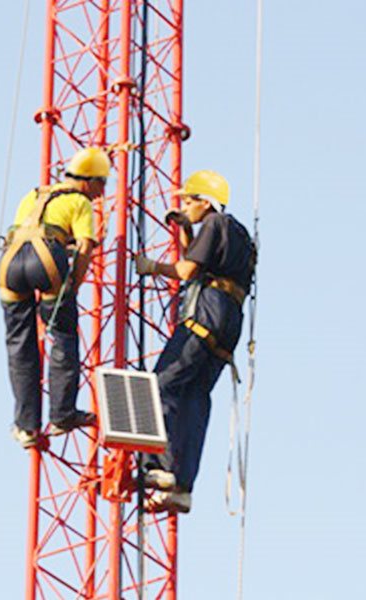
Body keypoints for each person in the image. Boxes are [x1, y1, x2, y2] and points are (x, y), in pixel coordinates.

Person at [135, 170, 256, 513]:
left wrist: (151, 267)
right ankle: (183, 484)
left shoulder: (215, 224)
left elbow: (189, 271)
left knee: (161, 384)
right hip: (227, 324)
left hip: (205, 317)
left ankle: (158, 469)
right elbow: (207, 265)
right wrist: (186, 232)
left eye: (188, 201)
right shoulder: (239, 234)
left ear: (205, 201)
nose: (185, 206)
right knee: (193, 397)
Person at [0, 147, 111, 448]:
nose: (102, 193)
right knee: (62, 334)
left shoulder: (34, 195)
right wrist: (72, 286)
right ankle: (62, 414)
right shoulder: (80, 201)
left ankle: (26, 427)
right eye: (101, 184)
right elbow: (86, 248)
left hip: (10, 263)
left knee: (18, 345)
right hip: (46, 259)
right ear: (88, 180)